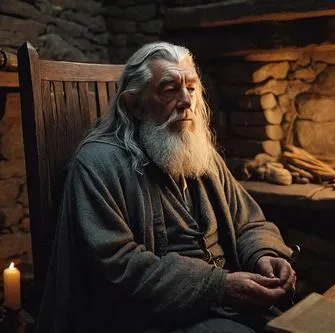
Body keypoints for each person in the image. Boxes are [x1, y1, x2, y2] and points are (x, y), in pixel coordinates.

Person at [35, 41, 297, 333]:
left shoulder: (198, 152)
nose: (186, 101)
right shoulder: (98, 163)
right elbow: (118, 267)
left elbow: (248, 222)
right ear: (133, 105)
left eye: (192, 88)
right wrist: (219, 286)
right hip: (158, 319)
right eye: (169, 90)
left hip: (231, 303)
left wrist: (263, 255)